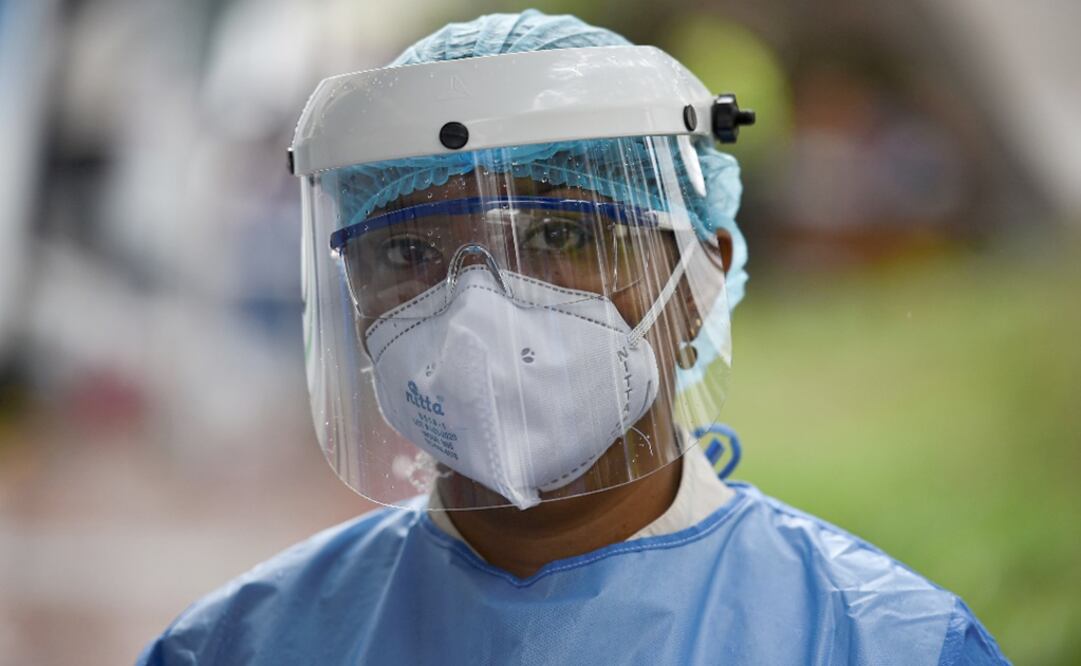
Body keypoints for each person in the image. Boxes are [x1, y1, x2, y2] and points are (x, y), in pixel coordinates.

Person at [139, 10, 1009, 665]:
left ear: (700, 276)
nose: (477, 310)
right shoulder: (239, 647)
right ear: (354, 297)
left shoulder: (881, 643)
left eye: (562, 237)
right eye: (407, 250)